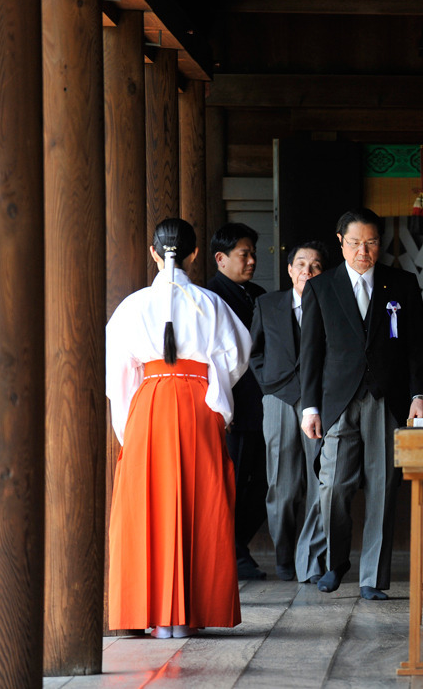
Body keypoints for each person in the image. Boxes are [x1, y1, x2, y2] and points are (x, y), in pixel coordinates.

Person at [106, 217, 250, 638]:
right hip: (198, 400)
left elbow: (119, 376)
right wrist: (214, 396)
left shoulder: (132, 306)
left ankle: (151, 614)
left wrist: (130, 419)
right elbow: (235, 358)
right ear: (193, 254)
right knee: (200, 497)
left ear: (154, 253)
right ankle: (190, 614)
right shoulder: (210, 303)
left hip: (150, 401)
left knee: (148, 501)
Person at [300, 208, 423, 600]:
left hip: (386, 400)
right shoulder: (321, 287)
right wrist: (310, 407)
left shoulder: (402, 284)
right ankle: (336, 561)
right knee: (334, 487)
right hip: (338, 402)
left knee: (383, 489)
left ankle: (373, 576)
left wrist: (418, 395)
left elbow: (416, 348)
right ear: (341, 242)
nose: (363, 251)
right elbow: (311, 353)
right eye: (355, 243)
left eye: (371, 243)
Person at [250, 241, 330, 583]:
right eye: (301, 264)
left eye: (314, 266)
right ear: (289, 270)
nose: (307, 271)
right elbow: (254, 354)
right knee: (281, 485)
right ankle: (284, 557)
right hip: (279, 400)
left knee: (320, 482)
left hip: (322, 401)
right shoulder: (267, 304)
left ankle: (312, 560)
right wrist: (270, 384)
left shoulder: (332, 304)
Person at [207, 222, 268, 580]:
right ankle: (231, 551)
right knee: (232, 480)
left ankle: (236, 544)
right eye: (243, 254)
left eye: (252, 254)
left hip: (262, 404)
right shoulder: (210, 298)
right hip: (231, 406)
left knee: (262, 482)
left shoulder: (259, 295)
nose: (251, 261)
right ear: (221, 258)